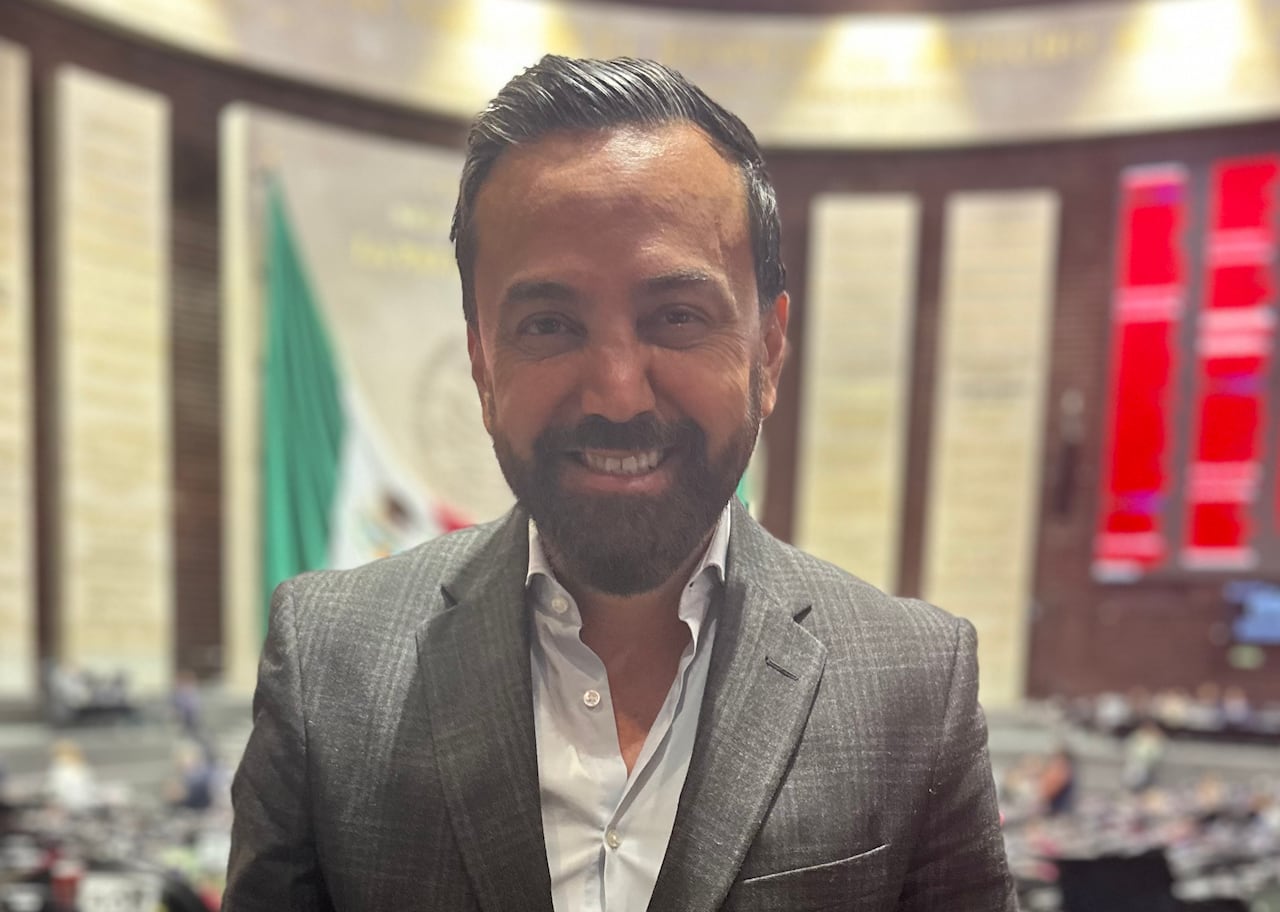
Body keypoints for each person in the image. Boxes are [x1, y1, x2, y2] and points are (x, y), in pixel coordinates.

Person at [224, 55, 1016, 911]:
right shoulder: (326, 663)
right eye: (550, 324)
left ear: (768, 350)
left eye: (676, 317)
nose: (617, 392)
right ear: (482, 361)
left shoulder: (916, 687)